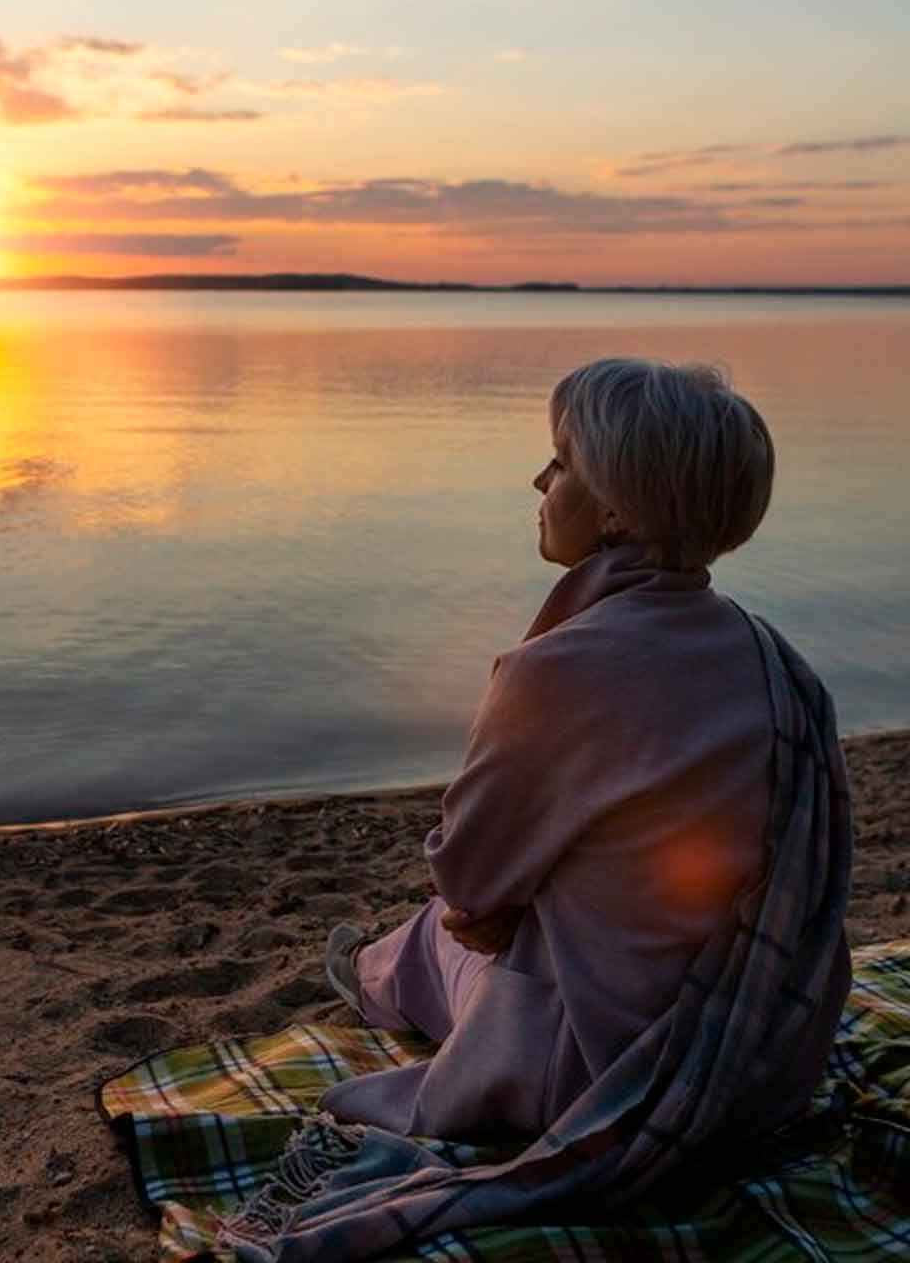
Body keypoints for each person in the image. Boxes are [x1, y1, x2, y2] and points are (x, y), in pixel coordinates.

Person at [320, 356, 853, 1146]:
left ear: (615, 514)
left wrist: (503, 911)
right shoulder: (775, 661)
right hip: (767, 1061)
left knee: (439, 931)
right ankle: (386, 967)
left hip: (605, 1078)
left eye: (562, 463)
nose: (540, 482)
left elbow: (468, 878)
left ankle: (371, 976)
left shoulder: (556, 671)